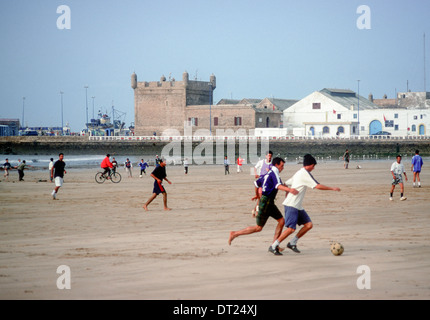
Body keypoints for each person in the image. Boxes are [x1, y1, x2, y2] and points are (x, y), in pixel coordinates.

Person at [269, 154, 341, 255]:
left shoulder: (299, 172)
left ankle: (292, 242)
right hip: (291, 204)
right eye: (313, 166)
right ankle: (274, 246)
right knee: (291, 229)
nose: (314, 168)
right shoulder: (304, 173)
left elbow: (286, 183)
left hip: (297, 205)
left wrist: (287, 192)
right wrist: (332, 188)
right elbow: (317, 186)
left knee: (308, 225)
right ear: (310, 165)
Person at [228, 157, 298, 247]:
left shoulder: (268, 173)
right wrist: (290, 190)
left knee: (281, 221)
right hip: (266, 202)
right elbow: (278, 185)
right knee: (258, 228)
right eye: (282, 165)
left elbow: (256, 183)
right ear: (276, 165)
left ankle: (274, 245)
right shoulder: (274, 172)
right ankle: (234, 233)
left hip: (269, 202)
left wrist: (257, 195)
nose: (283, 168)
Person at [252, 151, 273, 216]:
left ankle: (254, 210)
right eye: (268, 156)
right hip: (261, 182)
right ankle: (257, 212)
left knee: (261, 198)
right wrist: (256, 174)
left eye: (270, 156)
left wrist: (269, 171)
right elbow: (255, 167)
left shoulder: (272, 164)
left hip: (268, 183)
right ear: (266, 156)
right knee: (261, 198)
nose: (269, 157)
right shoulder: (261, 162)